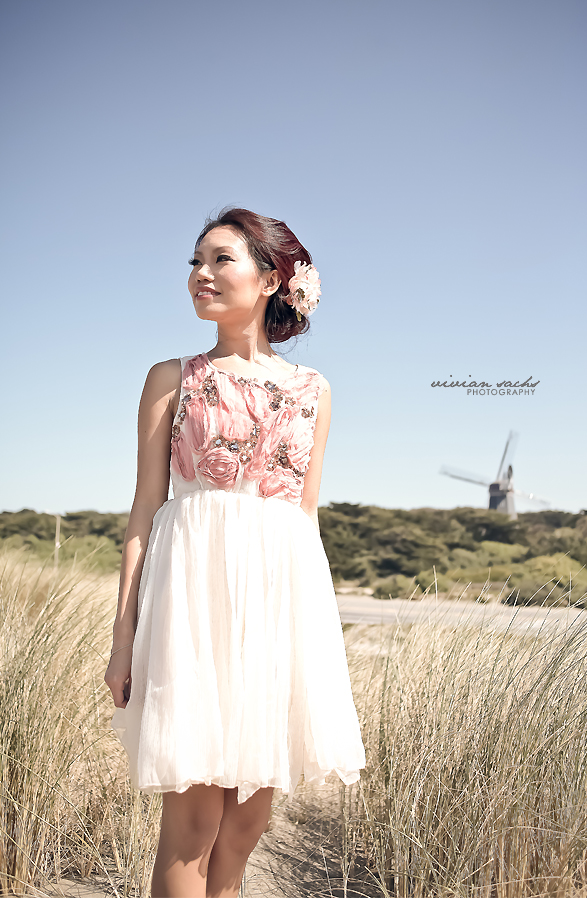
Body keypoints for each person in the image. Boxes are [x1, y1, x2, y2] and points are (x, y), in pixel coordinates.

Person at [104, 207, 365, 898]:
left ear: (272, 278)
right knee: (192, 821)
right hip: (191, 607)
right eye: (195, 261)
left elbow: (305, 517)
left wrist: (311, 647)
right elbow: (145, 510)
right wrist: (124, 637)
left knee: (246, 825)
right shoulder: (173, 377)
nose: (200, 274)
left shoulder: (314, 391)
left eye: (220, 259)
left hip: (276, 611)